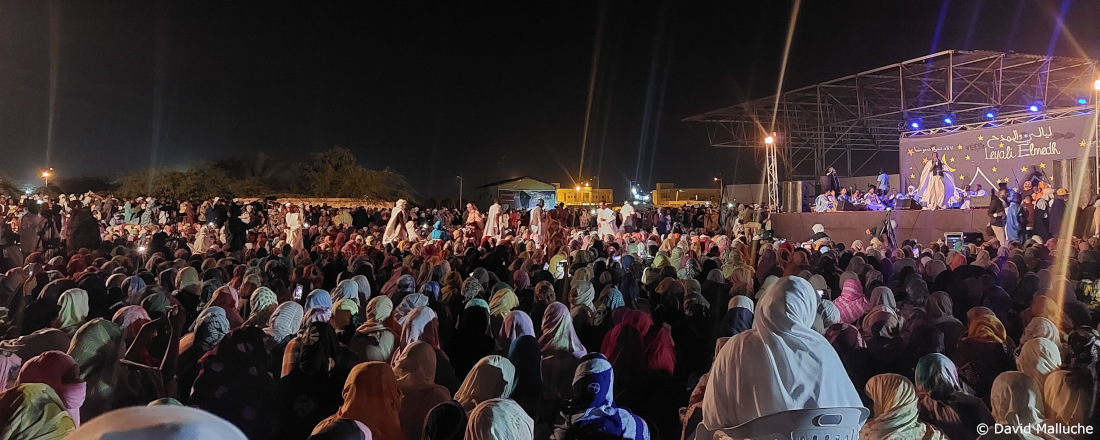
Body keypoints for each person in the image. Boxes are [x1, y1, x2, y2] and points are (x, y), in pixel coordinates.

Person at [702, 277, 861, 431]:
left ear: (765, 304)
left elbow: (713, 418)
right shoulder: (822, 350)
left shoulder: (736, 347)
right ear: (808, 308)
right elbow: (851, 418)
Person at [860, 373, 947, 440]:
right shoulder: (933, 433)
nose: (872, 405)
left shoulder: (867, 434)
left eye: (874, 399)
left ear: (885, 400)